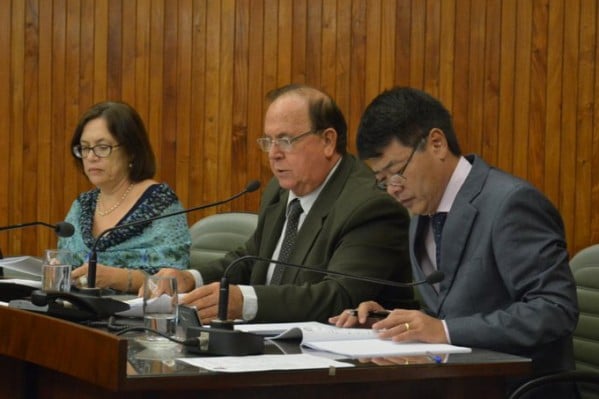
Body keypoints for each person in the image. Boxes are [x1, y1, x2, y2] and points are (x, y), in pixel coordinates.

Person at [329, 87, 579, 389]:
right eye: (382, 181)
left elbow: (554, 310)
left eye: (396, 172)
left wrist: (445, 330)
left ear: (436, 143)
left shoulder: (510, 204)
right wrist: (390, 321)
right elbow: (450, 309)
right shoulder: (422, 215)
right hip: (454, 382)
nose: (393, 189)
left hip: (516, 388)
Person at [156, 83, 416, 324]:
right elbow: (250, 258)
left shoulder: (369, 206)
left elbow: (339, 295)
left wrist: (245, 302)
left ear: (328, 141)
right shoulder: (279, 191)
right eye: (268, 141)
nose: (273, 154)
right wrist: (192, 278)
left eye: (285, 141)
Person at [59, 101, 191, 293]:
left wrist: (118, 278)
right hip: (77, 308)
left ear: (131, 151)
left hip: (136, 315)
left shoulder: (160, 203)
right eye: (85, 148)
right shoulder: (82, 205)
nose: (91, 157)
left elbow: (175, 277)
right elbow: (65, 261)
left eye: (102, 147)